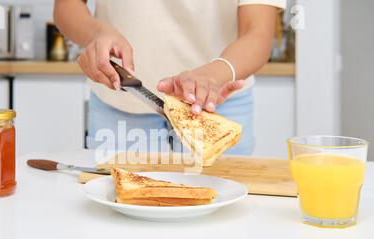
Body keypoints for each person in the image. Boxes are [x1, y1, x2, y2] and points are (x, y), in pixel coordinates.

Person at [54, 0, 286, 155]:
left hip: (218, 103)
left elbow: (258, 32)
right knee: (119, 217)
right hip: (121, 101)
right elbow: (66, 7)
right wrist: (96, 34)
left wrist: (214, 74)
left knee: (223, 217)